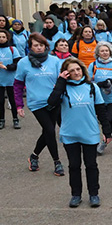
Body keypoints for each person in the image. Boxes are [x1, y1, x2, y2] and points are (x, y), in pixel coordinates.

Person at [47, 57, 110, 207]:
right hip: (70, 133)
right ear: (66, 73)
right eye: (72, 71)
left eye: (78, 69)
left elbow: (101, 111)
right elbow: (51, 103)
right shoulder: (61, 89)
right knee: (74, 165)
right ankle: (76, 194)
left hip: (89, 132)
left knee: (91, 165)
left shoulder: (92, 87)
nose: (76, 72)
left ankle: (94, 194)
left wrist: (107, 132)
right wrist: (61, 82)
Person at [14, 33, 64, 174]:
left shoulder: (54, 61)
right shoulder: (23, 63)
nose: (39, 48)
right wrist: (19, 105)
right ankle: (57, 162)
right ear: (30, 47)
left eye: (41, 45)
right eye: (36, 45)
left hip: (54, 101)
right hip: (36, 103)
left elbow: (61, 80)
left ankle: (34, 156)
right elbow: (17, 85)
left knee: (47, 131)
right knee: (49, 130)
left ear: (46, 46)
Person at [0, 28, 19, 129]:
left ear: (7, 38)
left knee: (13, 101)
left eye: (3, 37)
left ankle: (15, 119)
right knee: (0, 101)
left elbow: (17, 63)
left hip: (11, 80)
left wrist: (8, 67)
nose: (1, 39)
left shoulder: (13, 49)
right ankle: (1, 120)